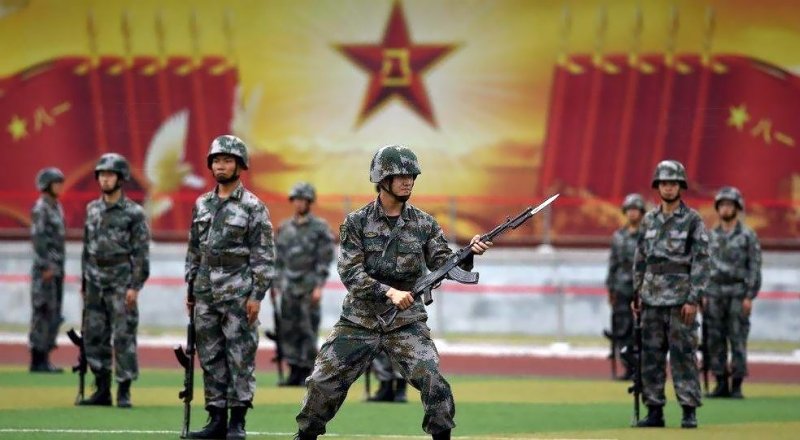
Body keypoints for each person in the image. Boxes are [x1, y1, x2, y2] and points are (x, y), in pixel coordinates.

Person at [294, 145, 492, 440]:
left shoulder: (424, 223)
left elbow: (442, 263)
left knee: (433, 381)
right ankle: (306, 435)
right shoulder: (356, 222)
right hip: (360, 320)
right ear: (382, 179)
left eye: (411, 175)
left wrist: (469, 254)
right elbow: (351, 273)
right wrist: (388, 292)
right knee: (322, 383)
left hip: (406, 321)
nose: (407, 181)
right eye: (400, 176)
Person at [185, 135, 276, 440]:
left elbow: (264, 255)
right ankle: (215, 418)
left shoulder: (253, 207)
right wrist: (190, 290)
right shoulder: (202, 204)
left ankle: (237, 421)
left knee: (240, 356)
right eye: (216, 161)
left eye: (227, 161)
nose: (221, 166)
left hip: (239, 293)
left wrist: (257, 295)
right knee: (210, 356)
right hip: (205, 293)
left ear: (240, 166)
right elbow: (194, 250)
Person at [632, 159, 709, 429]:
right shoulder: (649, 220)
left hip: (680, 300)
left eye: (673, 183)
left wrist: (693, 298)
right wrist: (637, 293)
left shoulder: (692, 220)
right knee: (651, 356)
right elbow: (640, 258)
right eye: (664, 183)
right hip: (651, 298)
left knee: (683, 355)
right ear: (658, 186)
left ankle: (689, 410)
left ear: (681, 186)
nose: (668, 187)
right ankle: (654, 410)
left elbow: (701, 261)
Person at [79, 153, 150, 408]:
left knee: (123, 336)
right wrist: (84, 282)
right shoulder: (92, 209)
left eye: (110, 174)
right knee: (94, 335)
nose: (105, 179)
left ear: (121, 178)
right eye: (101, 174)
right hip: (94, 281)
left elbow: (141, 252)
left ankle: (124, 390)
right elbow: (87, 247)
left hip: (121, 282)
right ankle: (102, 389)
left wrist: (135, 286)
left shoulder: (134, 213)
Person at [273, 182, 335, 386]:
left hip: (309, 286)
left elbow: (324, 258)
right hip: (288, 287)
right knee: (289, 329)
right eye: (296, 200)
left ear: (310, 201)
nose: (299, 203)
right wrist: (276, 283)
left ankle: (306, 371)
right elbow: (279, 259)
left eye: (303, 200)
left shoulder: (319, 228)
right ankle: (293, 370)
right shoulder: (285, 228)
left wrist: (318, 286)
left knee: (308, 329)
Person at [705, 186, 761, 399]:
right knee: (714, 338)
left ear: (737, 208)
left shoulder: (747, 236)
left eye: (730, 205)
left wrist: (749, 296)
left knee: (737, 337)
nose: (726, 209)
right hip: (714, 293)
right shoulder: (710, 236)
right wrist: (702, 293)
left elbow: (754, 266)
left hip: (738, 292)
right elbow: (703, 266)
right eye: (722, 205)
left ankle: (736, 384)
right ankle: (720, 382)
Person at [29, 167, 67, 373]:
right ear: (46, 185)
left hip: (57, 269)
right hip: (46, 270)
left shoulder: (56, 207)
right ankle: (37, 359)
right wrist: (45, 266)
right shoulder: (41, 208)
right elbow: (39, 239)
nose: (60, 186)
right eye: (56, 183)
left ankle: (45, 356)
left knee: (53, 312)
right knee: (42, 310)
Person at [605, 193, 645, 381]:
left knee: (641, 330)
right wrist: (610, 288)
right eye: (629, 210)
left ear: (642, 212)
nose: (632, 213)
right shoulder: (618, 236)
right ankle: (628, 367)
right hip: (621, 288)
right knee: (622, 330)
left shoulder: (647, 236)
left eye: (635, 210)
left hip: (642, 289)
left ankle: (641, 369)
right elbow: (613, 263)